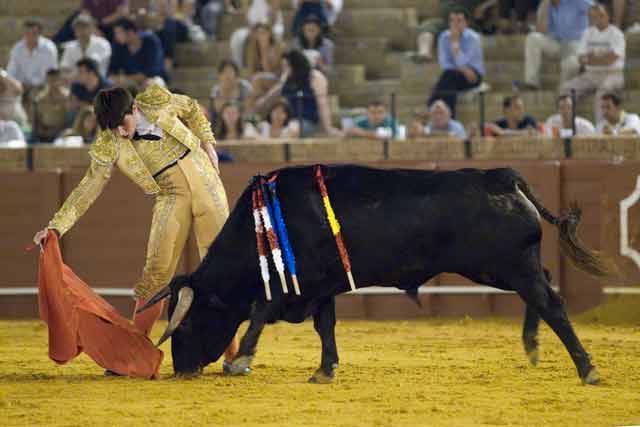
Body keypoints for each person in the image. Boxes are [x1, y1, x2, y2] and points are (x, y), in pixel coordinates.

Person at [32, 85, 240, 373]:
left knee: (218, 269)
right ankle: (132, 353)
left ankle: (233, 355)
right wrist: (55, 226)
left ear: (134, 110)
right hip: (171, 196)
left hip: (207, 184)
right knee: (155, 273)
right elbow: (87, 188)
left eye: (122, 123)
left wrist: (208, 143)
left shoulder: (156, 99)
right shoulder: (110, 141)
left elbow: (192, 106)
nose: (119, 132)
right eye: (112, 128)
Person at [560, 4, 625, 123]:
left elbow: (611, 59)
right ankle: (568, 125)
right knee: (567, 89)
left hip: (612, 74)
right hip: (590, 75)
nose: (598, 19)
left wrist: (591, 59)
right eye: (594, 17)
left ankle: (600, 129)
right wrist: (601, 58)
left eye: (601, 16)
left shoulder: (617, 34)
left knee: (602, 95)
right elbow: (581, 58)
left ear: (608, 16)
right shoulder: (587, 33)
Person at [513, 0, 593, 91]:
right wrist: (545, 5)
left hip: (576, 44)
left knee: (570, 64)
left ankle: (563, 93)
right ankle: (532, 83)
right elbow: (540, 30)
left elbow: (595, 11)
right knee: (533, 38)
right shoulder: (546, 4)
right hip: (556, 43)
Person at [427, 9, 485, 118]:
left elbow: (465, 61)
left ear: (466, 23)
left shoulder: (473, 38)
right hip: (456, 73)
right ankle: (449, 116)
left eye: (459, 21)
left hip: (473, 76)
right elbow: (444, 63)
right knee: (450, 79)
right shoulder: (444, 37)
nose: (455, 24)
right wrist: (462, 69)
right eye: (452, 21)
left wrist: (455, 43)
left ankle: (431, 106)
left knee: (448, 78)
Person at [411, 1, 497, 62]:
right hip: (446, 22)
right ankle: (424, 53)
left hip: (468, 22)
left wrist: (484, 6)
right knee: (428, 26)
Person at [108, 18, 167, 88]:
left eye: (119, 33)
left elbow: (153, 71)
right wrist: (117, 78)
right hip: (129, 81)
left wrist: (124, 78)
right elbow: (112, 71)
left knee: (151, 84)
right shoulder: (118, 45)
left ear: (130, 32)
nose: (116, 36)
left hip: (152, 79)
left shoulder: (151, 41)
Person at [7, 19, 59, 94]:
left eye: (34, 33)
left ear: (40, 34)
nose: (30, 36)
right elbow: (11, 71)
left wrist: (31, 85)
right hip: (19, 87)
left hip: (42, 88)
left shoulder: (49, 49)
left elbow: (49, 74)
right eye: (27, 33)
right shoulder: (17, 48)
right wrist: (17, 84)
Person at [229, 0, 284, 68]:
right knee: (236, 37)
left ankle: (275, 65)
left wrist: (265, 29)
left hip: (273, 26)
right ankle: (238, 65)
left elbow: (274, 17)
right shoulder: (249, 2)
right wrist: (253, 30)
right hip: (253, 28)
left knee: (277, 34)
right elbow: (247, 20)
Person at [59, 13, 112, 79]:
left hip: (98, 84)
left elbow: (93, 66)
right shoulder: (70, 47)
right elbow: (64, 68)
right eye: (78, 28)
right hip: (75, 83)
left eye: (84, 27)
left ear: (92, 28)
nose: (81, 31)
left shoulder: (102, 44)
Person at [31, 69, 70, 143]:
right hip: (43, 134)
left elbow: (68, 119)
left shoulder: (67, 97)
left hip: (62, 133)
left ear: (60, 80)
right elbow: (36, 119)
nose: (52, 83)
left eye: (55, 80)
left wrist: (57, 130)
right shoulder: (40, 99)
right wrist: (42, 131)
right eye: (50, 80)